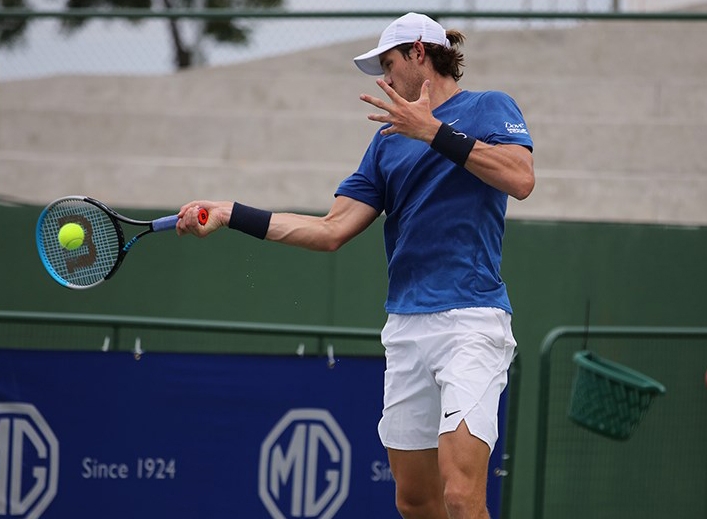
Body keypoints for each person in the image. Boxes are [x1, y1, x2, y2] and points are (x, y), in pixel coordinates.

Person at [176, 12, 534, 519]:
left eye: (388, 65)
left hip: (472, 323)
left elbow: (520, 178)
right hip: (407, 327)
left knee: (460, 495)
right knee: (414, 501)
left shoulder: (488, 107)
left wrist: (433, 132)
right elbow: (330, 231)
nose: (384, 81)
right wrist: (233, 214)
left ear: (417, 52)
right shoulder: (387, 142)